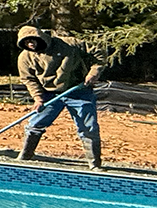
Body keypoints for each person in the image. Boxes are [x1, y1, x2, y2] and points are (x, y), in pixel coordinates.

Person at [16, 25, 103, 168]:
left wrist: (94, 72)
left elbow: (98, 54)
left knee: (88, 127)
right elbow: (28, 79)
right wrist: (38, 98)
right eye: (26, 42)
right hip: (49, 94)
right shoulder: (25, 58)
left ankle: (94, 164)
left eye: (32, 40)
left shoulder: (69, 44)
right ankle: (25, 156)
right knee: (35, 124)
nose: (30, 44)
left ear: (41, 37)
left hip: (79, 90)